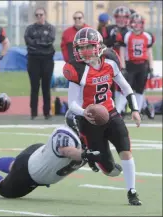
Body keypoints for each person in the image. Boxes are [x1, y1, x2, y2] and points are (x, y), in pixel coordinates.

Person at [63, 27, 142, 205]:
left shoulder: (110, 61)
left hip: (111, 114)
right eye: (80, 48)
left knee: (126, 152)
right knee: (110, 171)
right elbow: (72, 103)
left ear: (98, 46)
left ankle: (132, 192)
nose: (83, 51)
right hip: (89, 120)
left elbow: (125, 87)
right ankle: (92, 155)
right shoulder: (77, 69)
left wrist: (135, 109)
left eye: (88, 46)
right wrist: (85, 113)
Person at [0, 111, 102, 198]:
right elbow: (66, 150)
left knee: (16, 165)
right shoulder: (66, 135)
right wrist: (86, 156)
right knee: (4, 189)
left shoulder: (85, 142)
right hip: (31, 172)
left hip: (35, 159)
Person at [115, 13, 155, 115]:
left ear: (142, 24)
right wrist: (122, 67)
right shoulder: (126, 35)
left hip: (143, 65)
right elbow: (122, 53)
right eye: (134, 22)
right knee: (126, 89)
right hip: (130, 65)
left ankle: (137, 112)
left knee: (140, 90)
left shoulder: (148, 36)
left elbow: (149, 52)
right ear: (131, 23)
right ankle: (118, 111)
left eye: (139, 22)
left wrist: (151, 67)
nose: (137, 25)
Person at [24, 7, 56, 120]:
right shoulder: (30, 29)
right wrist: (41, 43)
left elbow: (49, 41)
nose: (39, 17)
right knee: (34, 87)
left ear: (45, 15)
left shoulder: (50, 28)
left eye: (41, 14)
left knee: (46, 87)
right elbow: (28, 42)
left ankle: (47, 112)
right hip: (33, 60)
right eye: (37, 15)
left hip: (47, 60)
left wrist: (37, 43)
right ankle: (33, 113)